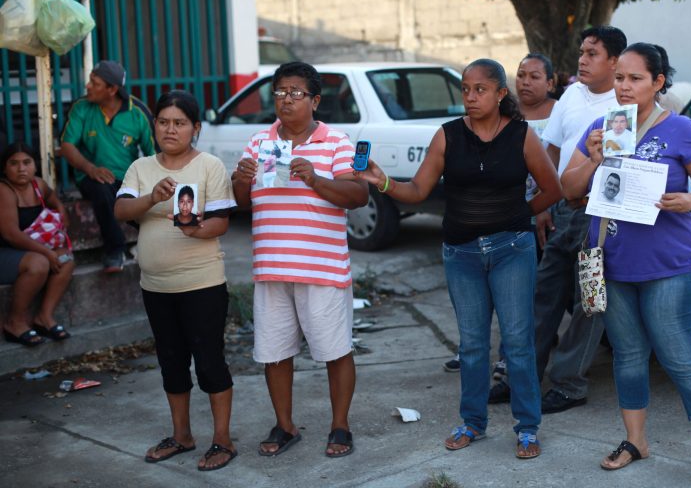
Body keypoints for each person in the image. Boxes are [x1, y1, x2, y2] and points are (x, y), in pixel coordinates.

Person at [355, 59, 562, 458]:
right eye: (465, 88)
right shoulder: (448, 136)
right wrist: (381, 180)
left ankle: (528, 427)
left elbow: (553, 188)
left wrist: (520, 214)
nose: (470, 96)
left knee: (518, 343)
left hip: (511, 251)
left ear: (501, 94)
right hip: (461, 254)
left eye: (480, 89)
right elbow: (417, 190)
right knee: (471, 346)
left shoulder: (521, 136)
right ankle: (472, 422)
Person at [561, 42, 691, 486]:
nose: (624, 86)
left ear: (658, 82)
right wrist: (594, 159)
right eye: (619, 77)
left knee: (680, 357)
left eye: (635, 78)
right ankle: (635, 441)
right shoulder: (602, 128)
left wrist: (690, 200)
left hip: (670, 264)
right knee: (628, 356)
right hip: (615, 262)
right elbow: (568, 188)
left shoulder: (680, 129)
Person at [232, 62, 368, 458]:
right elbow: (243, 204)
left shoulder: (337, 141)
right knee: (274, 351)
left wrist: (315, 179)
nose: (286, 99)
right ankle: (285, 425)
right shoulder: (259, 141)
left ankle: (340, 426)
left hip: (321, 269)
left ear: (315, 100)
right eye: (279, 92)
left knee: (335, 349)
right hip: (272, 267)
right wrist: (240, 181)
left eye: (295, 93)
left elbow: (359, 196)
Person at [114, 90, 238, 471]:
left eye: (179, 123)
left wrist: (199, 232)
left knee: (209, 361)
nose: (170, 129)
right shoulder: (141, 168)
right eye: (163, 121)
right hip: (155, 286)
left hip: (201, 283)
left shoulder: (209, 166)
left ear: (195, 128)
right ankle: (181, 435)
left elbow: (222, 220)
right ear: (154, 125)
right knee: (170, 361)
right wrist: (152, 196)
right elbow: (121, 210)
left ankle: (222, 440)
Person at [534, 25, 626, 414]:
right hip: (563, 212)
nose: (582, 60)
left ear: (614, 61)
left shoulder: (624, 107)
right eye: (582, 53)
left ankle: (569, 382)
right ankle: (520, 372)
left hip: (600, 218)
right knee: (542, 294)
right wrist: (542, 203)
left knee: (590, 302)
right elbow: (550, 151)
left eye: (592, 53)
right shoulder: (570, 94)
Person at [488, 52, 558, 404]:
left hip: (555, 216)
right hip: (513, 221)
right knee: (515, 298)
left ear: (551, 82)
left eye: (534, 76)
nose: (526, 82)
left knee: (563, 296)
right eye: (520, 75)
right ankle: (507, 371)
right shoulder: (505, 116)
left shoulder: (561, 113)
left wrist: (544, 207)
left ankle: (563, 368)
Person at [61, 60, 156, 273]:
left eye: (94, 83)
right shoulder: (81, 107)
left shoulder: (137, 111)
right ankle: (115, 250)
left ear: (112, 89)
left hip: (126, 176)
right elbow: (67, 146)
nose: (87, 86)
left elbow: (154, 152)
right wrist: (90, 168)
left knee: (141, 196)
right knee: (103, 190)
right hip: (90, 175)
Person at [0, 142, 73, 346]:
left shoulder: (38, 185)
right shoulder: (4, 190)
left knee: (66, 259)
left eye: (27, 162)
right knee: (39, 263)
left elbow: (51, 197)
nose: (21, 168)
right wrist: (46, 253)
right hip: (6, 252)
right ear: (5, 168)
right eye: (13, 163)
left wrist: (61, 209)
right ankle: (14, 322)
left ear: (35, 165)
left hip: (27, 252)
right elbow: (10, 234)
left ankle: (44, 317)